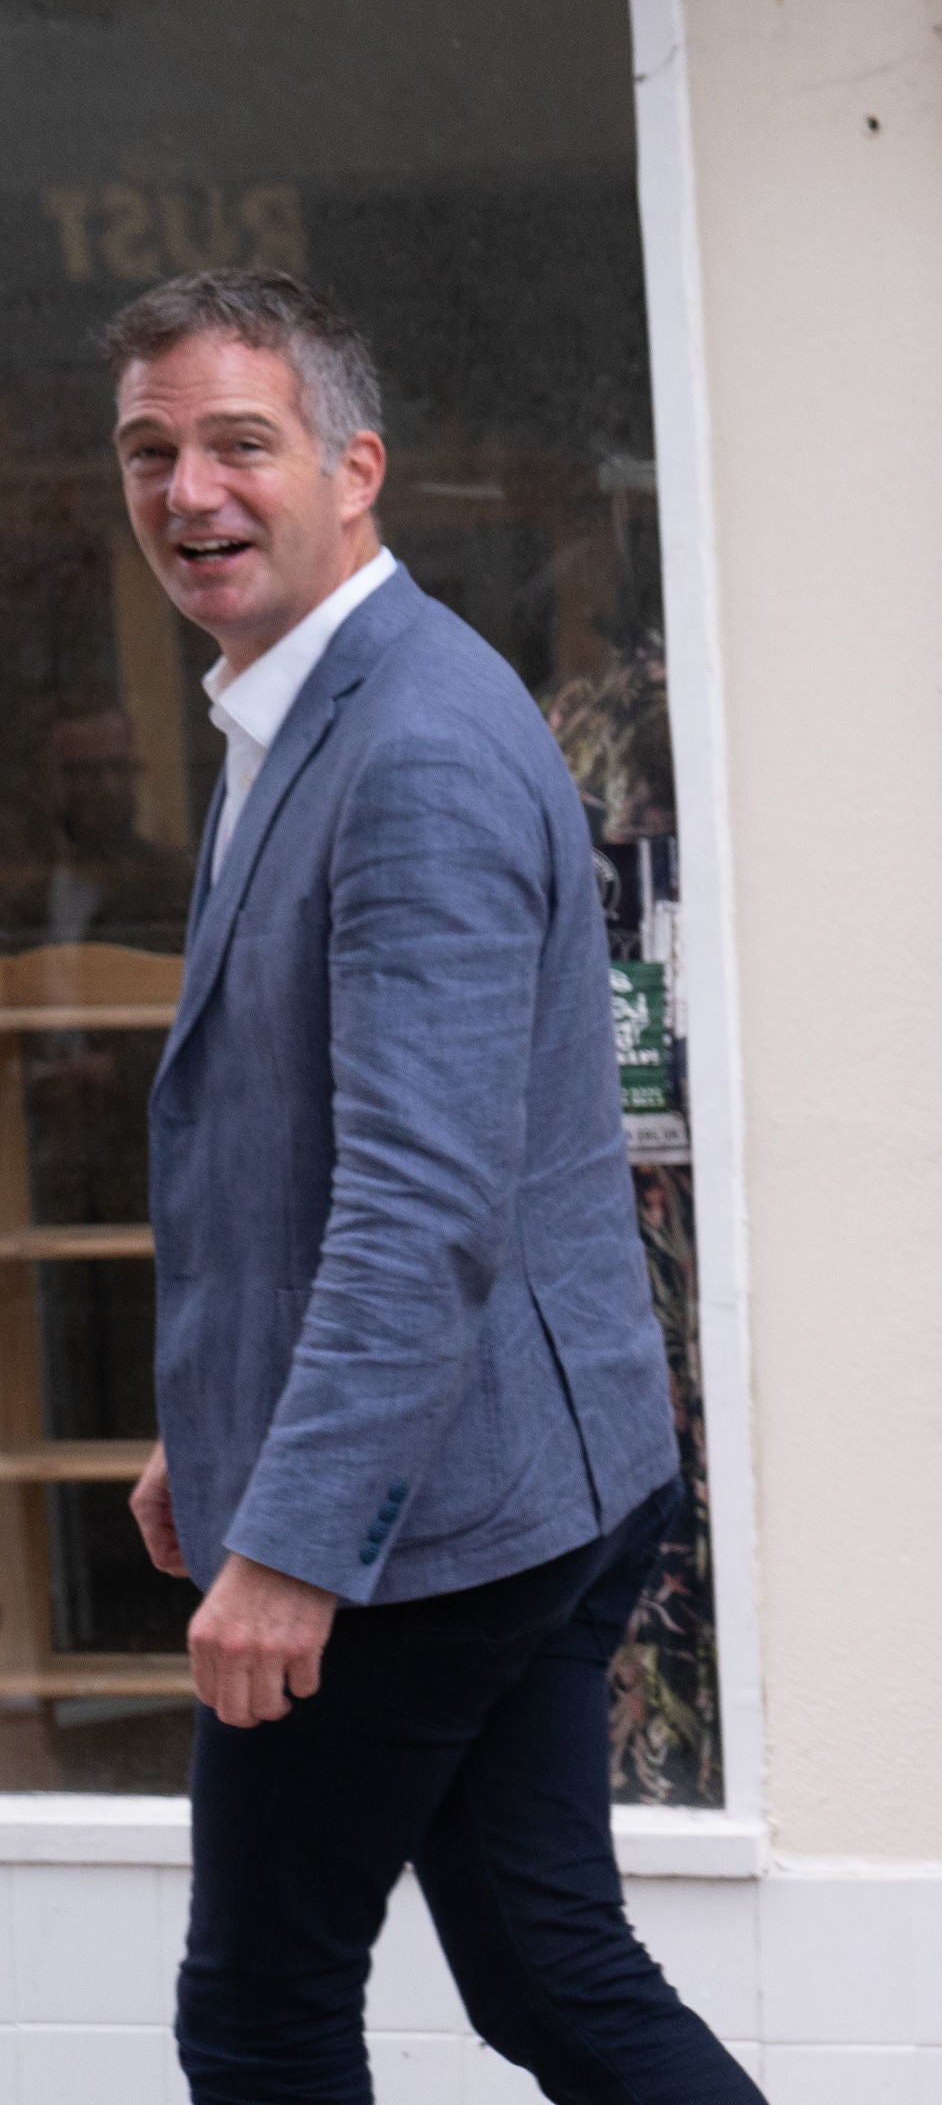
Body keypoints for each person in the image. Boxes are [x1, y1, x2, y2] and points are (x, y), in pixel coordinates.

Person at [109, 267, 751, 2100]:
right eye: (151, 452)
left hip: (430, 1523)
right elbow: (298, 1141)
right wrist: (213, 1418)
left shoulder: (411, 749)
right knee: (549, 1968)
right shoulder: (304, 699)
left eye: (242, 442)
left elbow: (421, 1200)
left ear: (356, 464)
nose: (190, 492)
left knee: (260, 2011)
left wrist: (294, 1539)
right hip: (503, 1476)